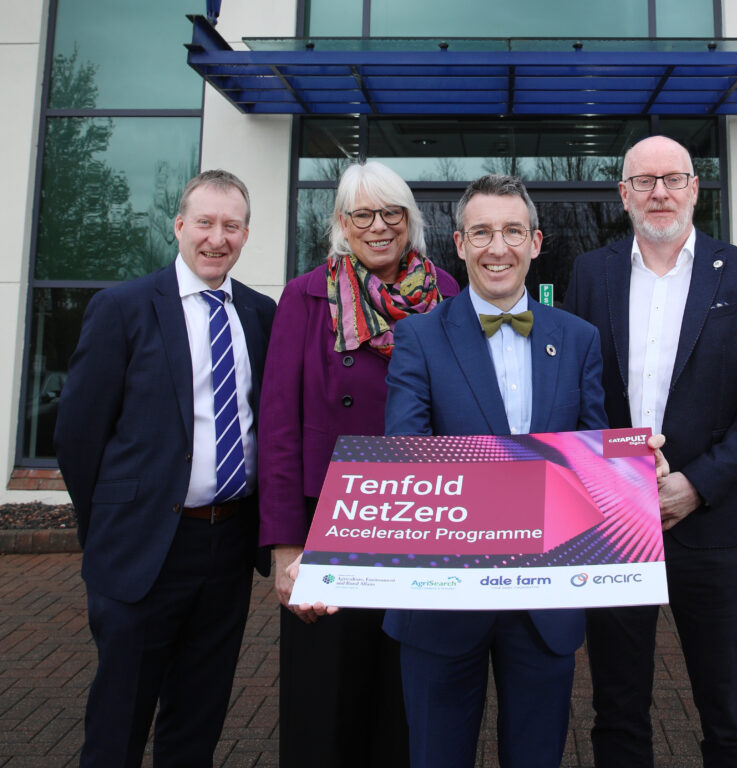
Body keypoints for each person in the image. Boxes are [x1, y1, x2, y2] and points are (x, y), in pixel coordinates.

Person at [562, 135, 737, 768]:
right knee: (617, 705)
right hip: (615, 519)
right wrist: (616, 476)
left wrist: (697, 483)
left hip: (713, 521)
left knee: (729, 706)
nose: (659, 192)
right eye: (644, 181)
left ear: (695, 188)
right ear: (623, 194)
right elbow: (580, 391)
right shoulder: (591, 271)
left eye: (673, 179)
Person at [380, 174, 610, 768]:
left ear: (536, 242)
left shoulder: (580, 339)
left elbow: (589, 455)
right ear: (458, 244)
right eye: (481, 232)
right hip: (441, 599)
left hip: (545, 603)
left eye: (512, 231)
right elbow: (407, 456)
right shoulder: (418, 338)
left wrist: (630, 466)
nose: (497, 247)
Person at [54, 169, 276, 767]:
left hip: (227, 546)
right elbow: (78, 437)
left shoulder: (260, 315)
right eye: (204, 222)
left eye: (231, 226)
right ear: (179, 226)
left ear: (246, 234)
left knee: (197, 719)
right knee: (118, 721)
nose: (216, 237)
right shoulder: (123, 308)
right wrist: (104, 528)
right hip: (142, 546)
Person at [258, 161, 459, 767]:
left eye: (391, 213)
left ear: (410, 221)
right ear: (341, 224)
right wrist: (285, 550)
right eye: (363, 215)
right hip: (331, 523)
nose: (378, 227)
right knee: (326, 701)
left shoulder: (447, 293)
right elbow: (278, 429)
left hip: (424, 520)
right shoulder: (306, 295)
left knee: (410, 693)